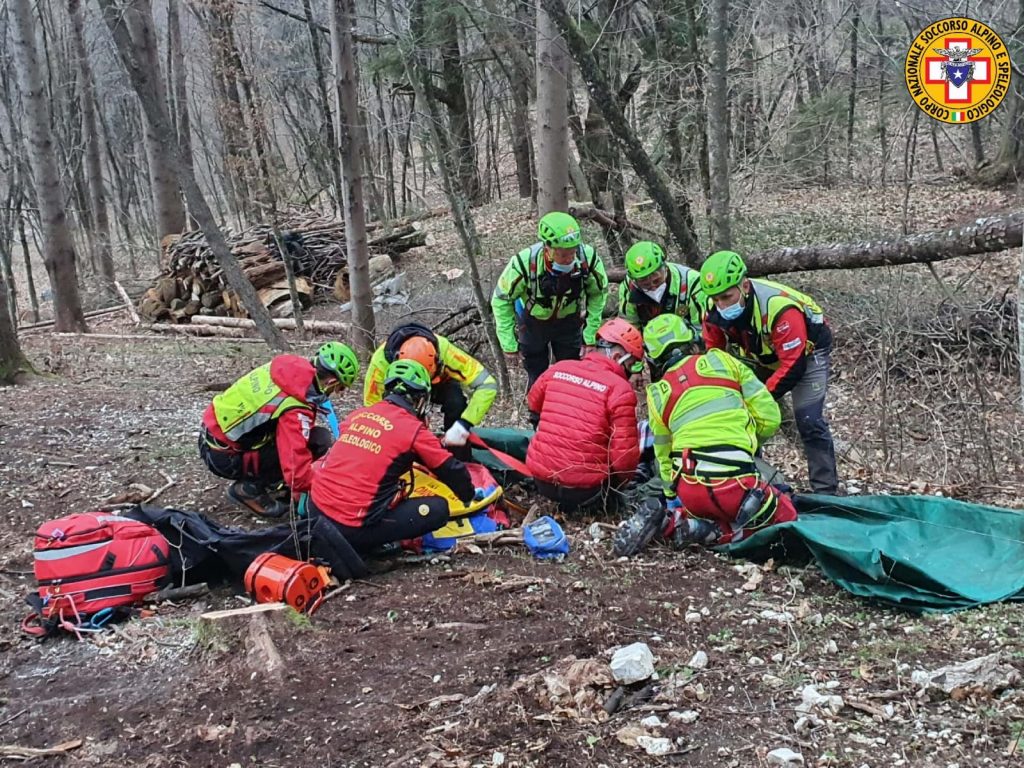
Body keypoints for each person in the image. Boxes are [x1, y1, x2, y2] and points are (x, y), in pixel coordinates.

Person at [643, 314, 797, 546]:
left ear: (653, 358)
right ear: (692, 339)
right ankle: (725, 533)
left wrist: (671, 496)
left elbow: (663, 454)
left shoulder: (656, 394)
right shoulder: (723, 362)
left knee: (711, 509)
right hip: (737, 483)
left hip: (691, 491)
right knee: (788, 519)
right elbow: (769, 417)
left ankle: (688, 525)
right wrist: (748, 444)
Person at [699, 250, 838, 495]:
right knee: (741, 416)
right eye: (715, 298)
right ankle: (749, 480)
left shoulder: (779, 308)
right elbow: (715, 354)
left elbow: (793, 366)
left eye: (726, 297)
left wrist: (760, 397)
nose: (721, 305)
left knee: (809, 420)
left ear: (744, 285)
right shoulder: (712, 310)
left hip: (807, 353)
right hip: (762, 353)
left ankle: (825, 490)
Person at [308, 359, 476, 554]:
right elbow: (450, 468)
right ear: (420, 400)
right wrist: (468, 496)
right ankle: (374, 546)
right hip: (350, 527)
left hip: (316, 510)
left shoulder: (358, 415)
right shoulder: (413, 430)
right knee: (438, 509)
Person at [199, 342, 360, 517]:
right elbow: (296, 464)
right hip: (224, 456)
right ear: (331, 382)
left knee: (310, 438)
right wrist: (321, 488)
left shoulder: (288, 368)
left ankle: (270, 479)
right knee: (319, 441)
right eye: (339, 388)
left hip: (212, 435)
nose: (337, 393)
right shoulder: (295, 407)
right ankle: (248, 489)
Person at [525, 318, 642, 512]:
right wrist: (621, 485)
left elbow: (533, 403)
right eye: (630, 365)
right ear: (617, 356)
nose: (629, 371)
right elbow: (625, 457)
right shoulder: (620, 389)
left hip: (541, 481)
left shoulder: (558, 369)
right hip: (586, 491)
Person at [491, 211, 609, 389]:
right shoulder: (524, 263)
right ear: (547, 247)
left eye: (572, 252)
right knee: (537, 376)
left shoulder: (587, 259)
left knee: (572, 374)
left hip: (569, 323)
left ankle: (569, 412)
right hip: (533, 324)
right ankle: (537, 415)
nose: (569, 258)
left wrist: (590, 334)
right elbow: (501, 300)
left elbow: (598, 294)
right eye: (563, 254)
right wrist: (508, 343)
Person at [363, 323, 497, 448]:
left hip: (440, 383)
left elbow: (487, 384)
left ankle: (458, 458)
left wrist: (464, 425)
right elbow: (372, 408)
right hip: (401, 390)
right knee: (402, 414)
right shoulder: (380, 363)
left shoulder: (444, 350)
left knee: (455, 402)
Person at [618, 240, 707, 337]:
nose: (653, 287)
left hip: (686, 339)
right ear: (634, 281)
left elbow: (703, 328)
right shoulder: (628, 287)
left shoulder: (692, 283)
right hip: (649, 343)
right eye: (645, 284)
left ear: (665, 268)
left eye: (657, 280)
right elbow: (629, 325)